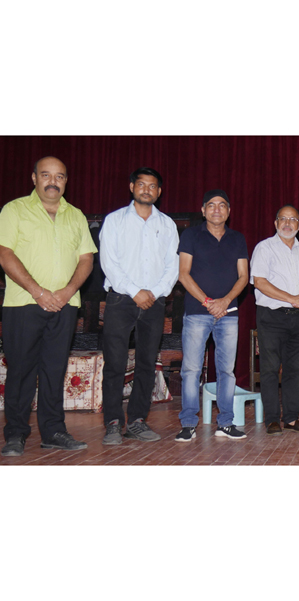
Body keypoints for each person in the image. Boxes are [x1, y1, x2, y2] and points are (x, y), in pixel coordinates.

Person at [0, 157, 96, 457]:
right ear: (34, 178)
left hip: (66, 305)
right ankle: (15, 434)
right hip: (24, 304)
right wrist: (38, 292)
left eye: (59, 176)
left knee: (55, 370)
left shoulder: (76, 215)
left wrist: (67, 292)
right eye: (46, 175)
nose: (52, 181)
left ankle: (54, 432)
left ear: (66, 181)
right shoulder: (14, 210)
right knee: (20, 370)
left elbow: (86, 259)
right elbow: (5, 253)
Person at [99, 167, 179, 445]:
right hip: (121, 299)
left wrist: (154, 293)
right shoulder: (114, 221)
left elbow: (173, 266)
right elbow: (109, 262)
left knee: (147, 362)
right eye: (141, 184)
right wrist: (135, 292)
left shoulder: (167, 224)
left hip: (154, 302)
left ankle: (136, 420)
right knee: (115, 363)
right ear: (132, 187)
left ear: (159, 191)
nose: (147, 189)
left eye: (152, 185)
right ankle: (112, 423)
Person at [174, 190, 249, 442]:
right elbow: (184, 274)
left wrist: (225, 301)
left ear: (228, 211)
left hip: (228, 314)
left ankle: (226, 422)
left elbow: (244, 277)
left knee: (227, 371)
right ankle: (188, 423)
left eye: (222, 205)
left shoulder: (237, 238)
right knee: (191, 369)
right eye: (212, 205)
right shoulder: (191, 235)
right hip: (197, 312)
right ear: (203, 210)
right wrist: (208, 302)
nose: (217, 209)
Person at [251, 205, 299, 436]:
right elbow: (259, 282)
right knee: (270, 369)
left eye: (293, 220)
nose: (288, 223)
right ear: (275, 223)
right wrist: (292, 298)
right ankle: (272, 420)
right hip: (271, 316)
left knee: (293, 370)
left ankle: (291, 418)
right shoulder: (264, 248)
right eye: (283, 219)